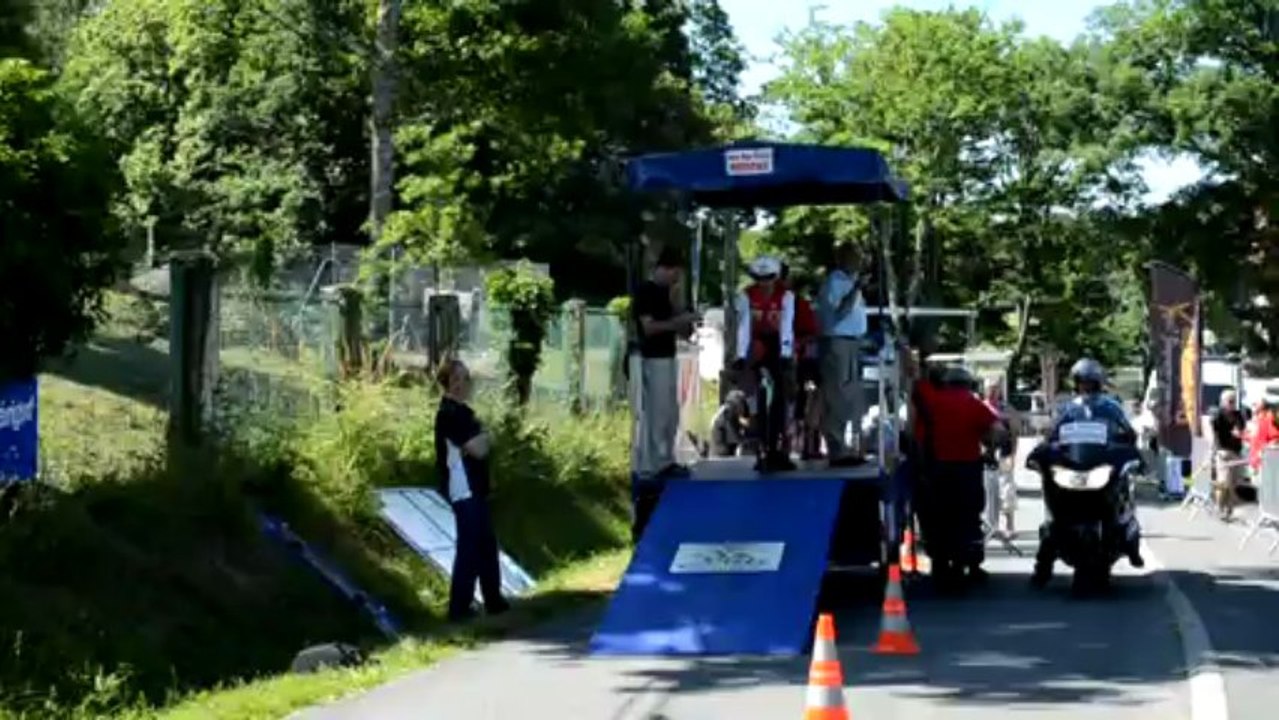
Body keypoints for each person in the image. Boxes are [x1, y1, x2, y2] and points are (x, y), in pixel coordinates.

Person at [1031, 358, 1144, 588]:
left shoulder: (1111, 407)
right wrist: (1045, 451)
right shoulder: (1067, 408)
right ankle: (1043, 565)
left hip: (1099, 465)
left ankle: (1127, 540)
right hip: (1074, 466)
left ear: (1099, 383)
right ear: (1076, 383)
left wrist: (1126, 449)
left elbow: (1127, 432)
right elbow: (1053, 434)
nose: (1086, 387)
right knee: (1053, 519)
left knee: (1121, 486)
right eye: (1083, 382)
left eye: (1090, 383)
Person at [910, 360, 1005, 587]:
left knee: (937, 518)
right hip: (967, 470)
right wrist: (990, 449)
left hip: (936, 470)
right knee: (969, 516)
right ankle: (971, 563)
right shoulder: (974, 405)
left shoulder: (932, 400)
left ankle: (940, 563)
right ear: (968, 384)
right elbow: (998, 431)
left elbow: (915, 383)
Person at [630, 246, 698, 540]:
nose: (675, 280)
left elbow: (677, 328)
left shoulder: (667, 295)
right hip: (651, 358)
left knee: (670, 410)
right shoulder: (645, 291)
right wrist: (676, 323)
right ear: (667, 269)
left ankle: (667, 458)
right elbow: (649, 328)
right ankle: (654, 463)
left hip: (668, 357)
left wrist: (683, 318)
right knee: (657, 411)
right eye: (675, 275)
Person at [434, 359, 510, 622]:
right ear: (451, 383)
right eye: (462, 378)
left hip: (475, 486)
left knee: (486, 545)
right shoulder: (450, 413)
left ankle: (493, 600)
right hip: (463, 488)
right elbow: (478, 448)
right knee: (469, 548)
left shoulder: (464, 412)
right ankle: (459, 607)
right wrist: (485, 437)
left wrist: (482, 439)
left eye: (467, 378)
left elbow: (478, 446)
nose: (466, 383)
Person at [733, 255, 797, 473]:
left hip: (778, 347)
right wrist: (741, 355)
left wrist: (786, 354)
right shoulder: (746, 296)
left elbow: (787, 325)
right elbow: (744, 326)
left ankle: (776, 448)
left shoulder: (786, 296)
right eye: (760, 278)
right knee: (759, 398)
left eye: (769, 278)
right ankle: (760, 448)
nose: (764, 283)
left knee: (780, 398)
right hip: (757, 347)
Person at [817, 243, 869, 466]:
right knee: (837, 395)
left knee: (851, 396)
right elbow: (839, 312)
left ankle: (851, 447)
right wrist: (856, 288)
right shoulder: (835, 283)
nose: (859, 262)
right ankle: (836, 449)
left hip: (854, 342)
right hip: (838, 342)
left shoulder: (848, 282)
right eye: (855, 257)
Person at [783, 263, 823, 460]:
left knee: (807, 398)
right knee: (796, 402)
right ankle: (797, 443)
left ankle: (807, 443)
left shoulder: (799, 305)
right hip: (786, 361)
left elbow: (812, 334)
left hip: (800, 360)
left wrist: (795, 343)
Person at [982, 378, 1018, 537]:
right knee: (987, 490)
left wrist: (1014, 454)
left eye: (995, 388)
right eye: (990, 388)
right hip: (986, 454)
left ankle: (1010, 524)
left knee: (1007, 489)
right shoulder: (980, 407)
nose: (993, 391)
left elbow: (1015, 432)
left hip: (1005, 452)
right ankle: (990, 525)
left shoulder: (1007, 409)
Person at [1209, 389, 1247, 520]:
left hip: (1236, 452)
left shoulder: (1238, 415)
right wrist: (1214, 450)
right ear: (1223, 402)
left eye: (1234, 400)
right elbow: (1212, 431)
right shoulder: (1218, 414)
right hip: (1223, 452)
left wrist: (1239, 431)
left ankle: (1228, 510)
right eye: (1230, 401)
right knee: (1224, 482)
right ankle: (1219, 506)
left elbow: (1240, 428)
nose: (1233, 403)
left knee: (1233, 484)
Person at [709, 389, 751, 458]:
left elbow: (745, 420)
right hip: (722, 442)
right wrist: (740, 439)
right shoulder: (729, 410)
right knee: (723, 452)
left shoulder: (728, 408)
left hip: (722, 435)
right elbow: (732, 430)